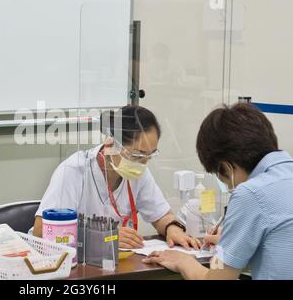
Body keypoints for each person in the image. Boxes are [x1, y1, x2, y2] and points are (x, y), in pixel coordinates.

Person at [143, 103, 293, 280]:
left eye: (221, 179)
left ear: (226, 167)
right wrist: (230, 242)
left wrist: (184, 261)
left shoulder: (250, 193)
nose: (229, 188)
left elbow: (216, 277)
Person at [33, 105, 201, 250]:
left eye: (149, 156)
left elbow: (161, 215)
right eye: (136, 155)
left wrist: (173, 228)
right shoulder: (73, 171)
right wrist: (104, 237)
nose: (142, 163)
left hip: (113, 265)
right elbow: (42, 231)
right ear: (111, 143)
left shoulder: (138, 172)